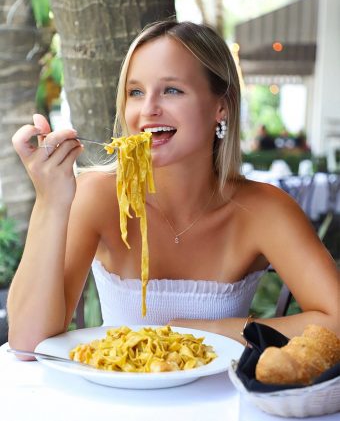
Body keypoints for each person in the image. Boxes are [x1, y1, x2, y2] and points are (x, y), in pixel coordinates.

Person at [7, 20, 339, 355]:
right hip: (114, 402)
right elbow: (27, 343)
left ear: (220, 106)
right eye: (135, 92)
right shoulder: (97, 196)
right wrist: (50, 202)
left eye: (172, 90)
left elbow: (336, 321)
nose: (148, 108)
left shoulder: (264, 209)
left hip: (223, 403)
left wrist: (202, 332)